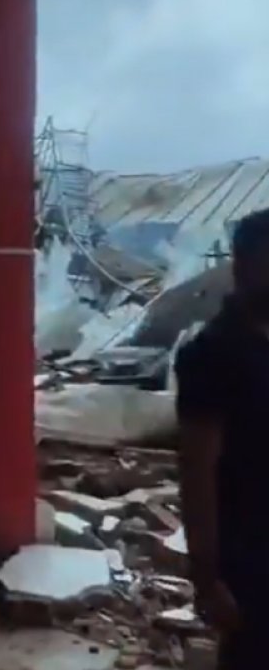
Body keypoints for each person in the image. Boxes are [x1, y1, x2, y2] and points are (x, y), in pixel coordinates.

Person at [176, 208, 269, 668]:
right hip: (250, 566)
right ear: (245, 266)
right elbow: (197, 471)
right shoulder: (211, 355)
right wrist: (207, 577)